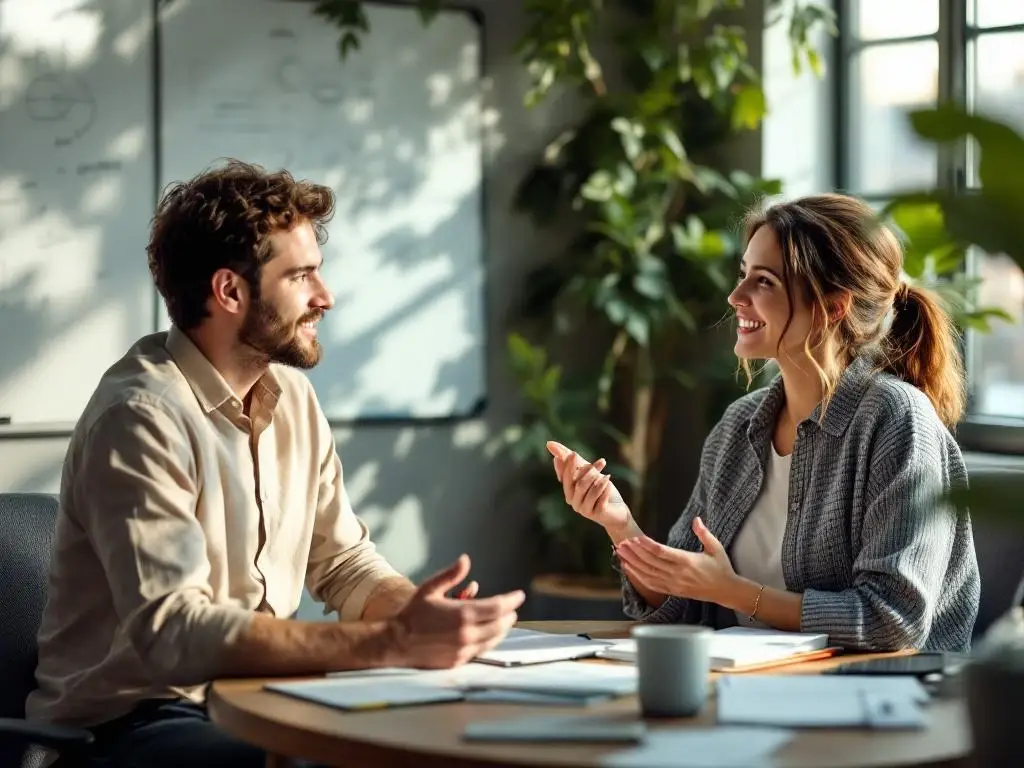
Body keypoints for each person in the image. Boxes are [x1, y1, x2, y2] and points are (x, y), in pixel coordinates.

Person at [27, 160, 524, 767]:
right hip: (130, 724)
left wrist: (420, 615)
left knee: (446, 735)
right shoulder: (139, 417)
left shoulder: (291, 398)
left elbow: (343, 563)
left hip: (257, 696)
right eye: (302, 277)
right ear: (230, 291)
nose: (326, 297)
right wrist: (388, 643)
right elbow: (174, 633)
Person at [547, 193, 980, 652]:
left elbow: (893, 621)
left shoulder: (895, 419)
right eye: (743, 276)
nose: (736, 297)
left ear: (834, 306)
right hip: (750, 692)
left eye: (765, 282)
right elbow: (681, 602)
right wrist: (619, 524)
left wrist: (733, 592)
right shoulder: (738, 426)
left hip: (876, 701)